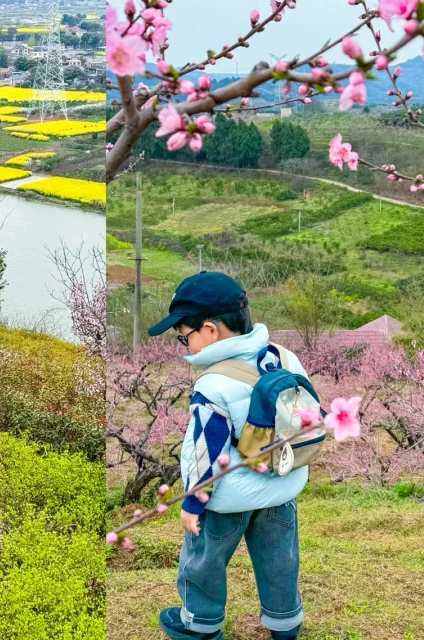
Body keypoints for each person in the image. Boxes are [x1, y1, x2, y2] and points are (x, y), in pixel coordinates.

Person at [148, 272, 309, 640]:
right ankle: (285, 624)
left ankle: (199, 624)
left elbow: (206, 450)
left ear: (210, 330)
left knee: (203, 561)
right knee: (280, 561)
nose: (183, 344)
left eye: (183, 335)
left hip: (226, 501)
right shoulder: (285, 357)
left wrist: (192, 504)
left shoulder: (213, 383)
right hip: (281, 491)